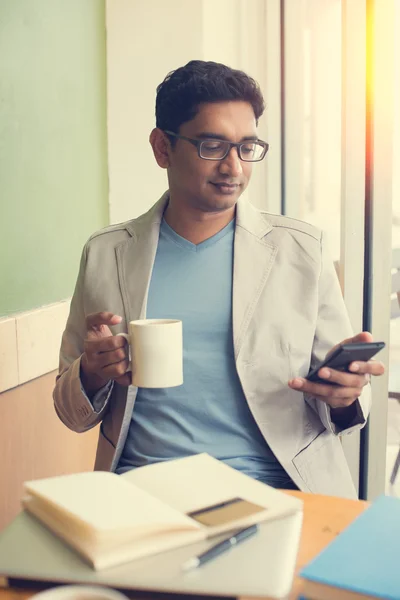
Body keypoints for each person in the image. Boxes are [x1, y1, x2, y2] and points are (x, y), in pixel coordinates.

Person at [54, 60, 384, 498]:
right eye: (213, 145)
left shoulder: (302, 251)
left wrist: (344, 394)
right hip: (143, 490)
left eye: (247, 147)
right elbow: (70, 410)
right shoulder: (106, 253)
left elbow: (348, 402)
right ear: (162, 148)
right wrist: (93, 374)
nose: (234, 167)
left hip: (276, 487)